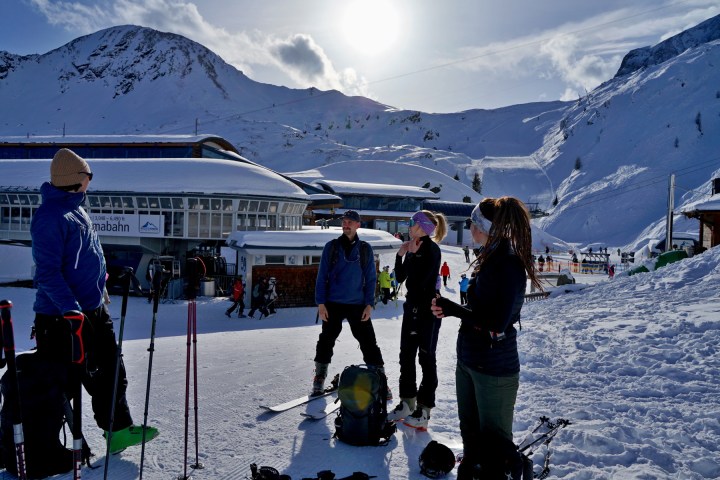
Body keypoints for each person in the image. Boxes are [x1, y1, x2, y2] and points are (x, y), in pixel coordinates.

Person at [30, 148, 158, 456]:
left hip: (92, 309)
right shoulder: (51, 217)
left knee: (111, 370)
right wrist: (69, 309)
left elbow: (84, 259)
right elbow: (47, 273)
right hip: (64, 317)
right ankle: (41, 447)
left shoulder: (76, 209)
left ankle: (118, 430)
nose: (91, 181)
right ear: (78, 179)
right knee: (62, 383)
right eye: (89, 175)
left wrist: (107, 277)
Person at [430, 197, 541, 476]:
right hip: (470, 359)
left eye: (472, 223)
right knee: (470, 434)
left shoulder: (508, 265)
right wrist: (452, 308)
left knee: (496, 446)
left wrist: (454, 309)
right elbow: (481, 311)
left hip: (494, 367)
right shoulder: (490, 258)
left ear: (485, 228)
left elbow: (497, 322)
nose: (469, 228)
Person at [312, 210, 384, 395]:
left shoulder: (365, 249)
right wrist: (321, 303)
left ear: (358, 225)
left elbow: (371, 278)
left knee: (369, 343)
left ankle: (379, 380)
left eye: (350, 222)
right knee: (326, 341)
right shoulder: (332, 247)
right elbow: (321, 276)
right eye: (344, 221)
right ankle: (319, 377)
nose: (346, 224)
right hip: (332, 303)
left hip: (358, 305)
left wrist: (369, 304)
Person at [387, 209, 448, 430]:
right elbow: (401, 278)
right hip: (411, 308)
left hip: (427, 311)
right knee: (406, 356)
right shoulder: (413, 248)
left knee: (426, 358)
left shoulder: (432, 250)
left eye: (412, 222)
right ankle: (407, 402)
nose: (408, 225)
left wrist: (412, 256)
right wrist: (401, 255)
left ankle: (424, 408)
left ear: (423, 227)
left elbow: (423, 282)